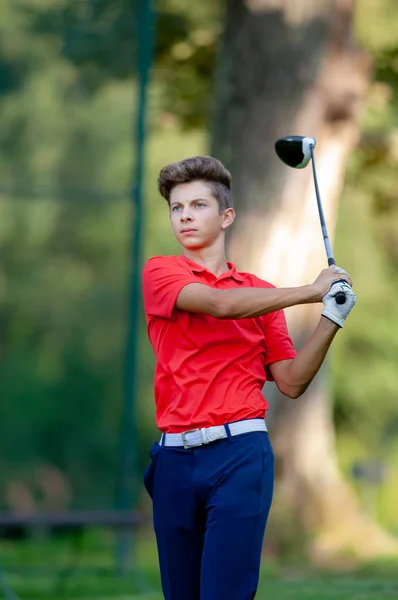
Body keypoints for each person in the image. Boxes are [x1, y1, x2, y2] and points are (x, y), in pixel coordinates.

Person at [141, 155, 356, 600]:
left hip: (241, 455)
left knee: (227, 592)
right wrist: (309, 291)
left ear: (226, 217)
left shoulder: (261, 294)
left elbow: (292, 381)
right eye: (177, 208)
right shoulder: (162, 272)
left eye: (198, 205)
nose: (184, 216)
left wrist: (329, 318)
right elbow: (219, 305)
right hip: (175, 460)